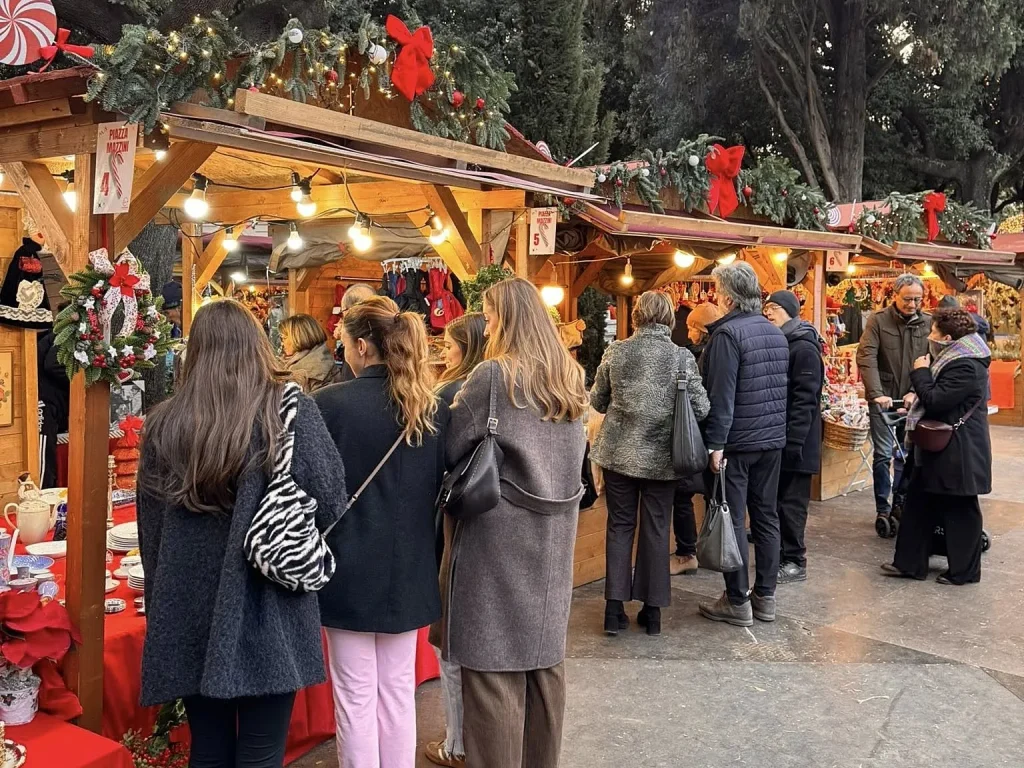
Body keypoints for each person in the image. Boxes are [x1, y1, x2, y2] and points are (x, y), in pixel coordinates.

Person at [136, 300, 347, 767]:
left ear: (195, 353)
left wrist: (161, 601)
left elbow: (151, 537)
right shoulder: (288, 411)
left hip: (188, 606)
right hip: (269, 601)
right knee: (262, 750)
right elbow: (332, 500)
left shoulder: (163, 425)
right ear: (256, 346)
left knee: (207, 749)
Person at [444, 277, 587, 768]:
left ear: (506, 318)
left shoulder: (493, 376)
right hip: (554, 535)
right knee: (545, 669)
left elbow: (453, 443)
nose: (487, 323)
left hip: (498, 538)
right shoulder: (569, 374)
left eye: (490, 314)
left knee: (491, 675)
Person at [314, 295, 446, 768]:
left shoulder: (328, 405)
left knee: (354, 696)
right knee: (397, 690)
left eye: (344, 343)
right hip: (410, 568)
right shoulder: (430, 408)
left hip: (345, 569)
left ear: (363, 346)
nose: (342, 352)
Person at [591, 291, 710, 635]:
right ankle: (653, 612)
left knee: (619, 526)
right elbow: (701, 409)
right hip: (663, 459)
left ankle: (613, 612)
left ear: (637, 317)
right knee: (658, 528)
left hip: (618, 455)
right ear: (670, 317)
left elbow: (598, 401)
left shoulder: (617, 351)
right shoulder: (681, 357)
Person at [697, 262, 789, 628]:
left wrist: (715, 444)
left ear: (727, 297)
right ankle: (765, 596)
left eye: (717, 291)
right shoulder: (775, 332)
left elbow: (722, 395)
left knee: (731, 516)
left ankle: (737, 600)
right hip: (771, 439)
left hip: (737, 442)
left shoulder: (727, 336)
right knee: (766, 515)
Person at [883, 309, 991, 585]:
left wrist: (919, 372)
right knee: (919, 503)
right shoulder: (953, 358)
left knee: (961, 509)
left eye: (933, 332)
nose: (930, 337)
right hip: (938, 449)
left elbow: (936, 399)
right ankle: (909, 563)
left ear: (947, 337)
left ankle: (964, 572)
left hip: (959, 451)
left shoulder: (966, 364)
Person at [425, 312, 486, 768]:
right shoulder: (510, 389)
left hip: (454, 523)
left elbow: (438, 462)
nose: (443, 352)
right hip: (489, 523)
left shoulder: (452, 394)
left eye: (449, 344)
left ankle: (457, 741)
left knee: (452, 638)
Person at [856, 274, 930, 522]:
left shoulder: (927, 323)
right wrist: (877, 394)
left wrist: (917, 391)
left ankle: (903, 500)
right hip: (885, 398)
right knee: (883, 453)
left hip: (914, 398)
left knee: (909, 454)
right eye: (907, 299)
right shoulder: (878, 321)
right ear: (895, 296)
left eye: (917, 299)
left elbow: (932, 362)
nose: (912, 304)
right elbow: (867, 357)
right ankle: (882, 507)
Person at [764, 291, 824, 584]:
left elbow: (805, 399)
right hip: (783, 438)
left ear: (788, 311)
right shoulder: (784, 342)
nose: (768, 313)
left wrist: (795, 441)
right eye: (767, 308)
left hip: (798, 442)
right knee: (779, 501)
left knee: (792, 504)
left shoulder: (804, 348)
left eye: (774, 308)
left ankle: (794, 561)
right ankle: (782, 555)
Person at [670, 302, 722, 576]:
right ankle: (715, 550)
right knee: (717, 496)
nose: (688, 332)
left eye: (691, 327)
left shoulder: (693, 357)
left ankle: (687, 553)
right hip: (719, 438)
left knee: (683, 494)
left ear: (700, 329)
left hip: (695, 437)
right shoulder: (723, 350)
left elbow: (697, 403)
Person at [37, 309, 70, 489]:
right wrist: (78, 380)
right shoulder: (63, 335)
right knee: (43, 454)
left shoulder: (54, 335)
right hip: (45, 402)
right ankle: (43, 494)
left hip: (52, 402)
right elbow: (53, 365)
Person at [279, 313, 340, 393]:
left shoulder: (317, 371)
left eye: (284, 338)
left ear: (298, 337)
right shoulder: (295, 362)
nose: (282, 343)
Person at [334, 283, 378, 382]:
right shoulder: (385, 329)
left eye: (343, 311)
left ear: (350, 310)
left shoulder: (356, 336)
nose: (342, 316)